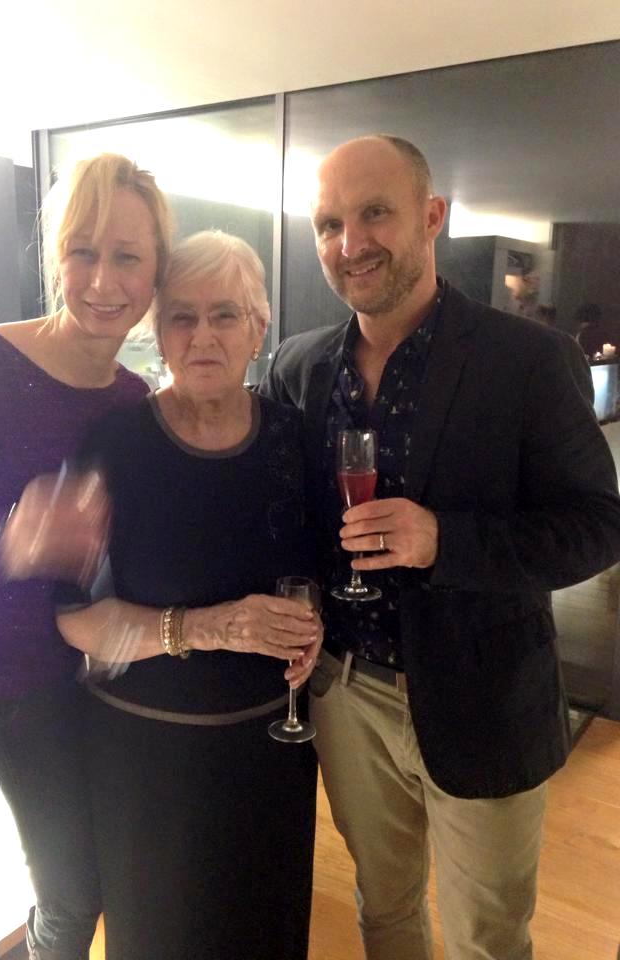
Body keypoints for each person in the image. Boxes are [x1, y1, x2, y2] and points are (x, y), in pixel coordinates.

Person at [259, 134, 620, 960]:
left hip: (485, 698)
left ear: (432, 216)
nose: (350, 243)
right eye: (328, 224)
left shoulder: (530, 360)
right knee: (382, 909)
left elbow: (599, 524)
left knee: (487, 940)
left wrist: (443, 540)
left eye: (374, 213)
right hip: (346, 693)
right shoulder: (300, 368)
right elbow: (284, 516)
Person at [0, 152, 171, 960]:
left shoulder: (132, 401)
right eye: (82, 251)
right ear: (55, 257)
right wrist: (4, 543)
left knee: (75, 891)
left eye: (127, 256)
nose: (103, 280)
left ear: (156, 271)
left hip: (51, 686)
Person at [57, 230, 320, 960]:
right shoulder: (115, 443)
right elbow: (75, 619)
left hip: (271, 752)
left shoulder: (295, 439)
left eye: (225, 315)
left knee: (268, 935)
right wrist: (206, 628)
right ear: (159, 331)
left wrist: (313, 628)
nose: (203, 336)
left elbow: (315, 575)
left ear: (259, 329)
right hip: (149, 764)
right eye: (182, 316)